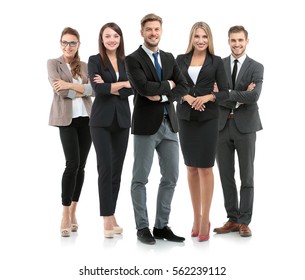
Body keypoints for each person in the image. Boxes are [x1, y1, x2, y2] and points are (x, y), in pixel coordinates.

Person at [125, 13, 188, 245]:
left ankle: (161, 226)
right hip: (145, 126)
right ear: (142, 32)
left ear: (161, 31)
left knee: (171, 176)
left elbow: (183, 86)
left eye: (157, 29)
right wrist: (168, 85)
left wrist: (162, 93)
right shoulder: (132, 59)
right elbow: (142, 87)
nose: (153, 33)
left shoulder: (170, 58)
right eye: (149, 29)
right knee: (140, 178)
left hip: (170, 125)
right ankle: (142, 227)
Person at [176, 22, 229, 242]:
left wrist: (207, 97)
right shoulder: (180, 60)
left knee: (205, 168)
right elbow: (173, 86)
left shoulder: (216, 62)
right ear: (192, 38)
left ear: (209, 39)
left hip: (208, 118)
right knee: (190, 168)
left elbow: (225, 91)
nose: (200, 40)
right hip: (186, 118)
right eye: (197, 36)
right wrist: (188, 97)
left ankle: (206, 217)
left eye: (204, 37)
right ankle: (196, 217)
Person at [213, 25, 264, 237]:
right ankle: (232, 219)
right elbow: (213, 94)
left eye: (240, 40)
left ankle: (244, 221)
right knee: (226, 175)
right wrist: (240, 93)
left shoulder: (256, 67)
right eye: (233, 40)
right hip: (221, 126)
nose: (237, 44)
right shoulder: (218, 64)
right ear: (228, 41)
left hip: (246, 127)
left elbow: (254, 96)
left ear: (247, 41)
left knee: (247, 176)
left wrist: (228, 93)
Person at [88, 22, 133, 238]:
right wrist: (121, 85)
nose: (112, 39)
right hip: (101, 121)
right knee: (105, 168)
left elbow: (134, 88)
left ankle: (112, 213)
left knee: (117, 170)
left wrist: (112, 86)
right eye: (108, 36)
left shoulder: (128, 61)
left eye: (116, 35)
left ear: (120, 38)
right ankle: (106, 217)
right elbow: (97, 89)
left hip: (122, 120)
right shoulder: (95, 60)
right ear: (102, 38)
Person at [47, 27, 94, 237]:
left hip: (87, 119)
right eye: (65, 42)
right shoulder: (53, 63)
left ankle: (74, 211)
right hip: (66, 121)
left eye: (72, 43)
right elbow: (61, 91)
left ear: (78, 45)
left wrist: (73, 86)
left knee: (81, 166)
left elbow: (94, 90)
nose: (68, 46)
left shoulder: (85, 66)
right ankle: (65, 213)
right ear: (60, 43)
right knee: (72, 164)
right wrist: (78, 88)